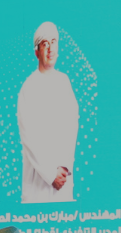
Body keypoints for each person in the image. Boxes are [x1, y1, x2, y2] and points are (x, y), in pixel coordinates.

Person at [19, 21, 81, 203]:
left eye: (53, 42)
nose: (50, 49)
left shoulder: (64, 82)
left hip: (63, 181)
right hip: (36, 185)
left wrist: (63, 168)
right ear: (37, 53)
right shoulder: (28, 88)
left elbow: (72, 127)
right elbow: (28, 139)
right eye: (45, 44)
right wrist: (50, 174)